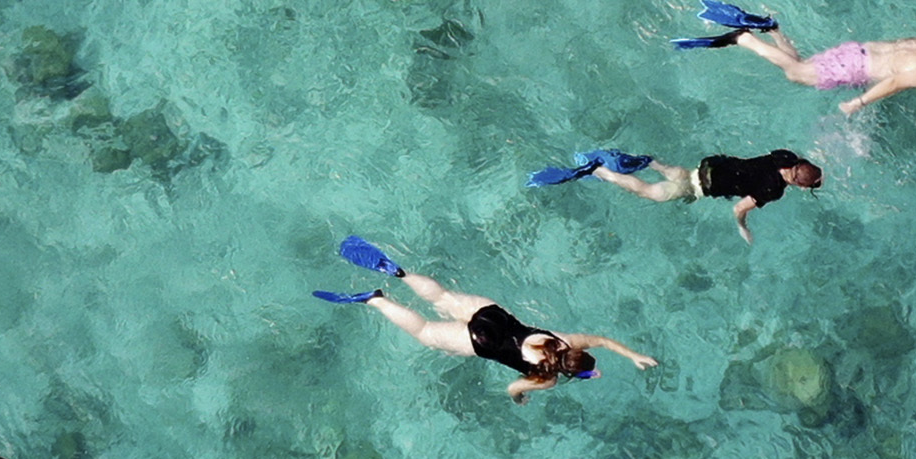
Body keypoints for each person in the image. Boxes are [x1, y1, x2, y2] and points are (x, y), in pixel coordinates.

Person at [312, 238, 654, 402]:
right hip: (484, 343)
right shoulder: (547, 378)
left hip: (494, 315)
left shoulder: (563, 340)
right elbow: (512, 388)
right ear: (568, 372)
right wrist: (521, 397)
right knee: (426, 331)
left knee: (442, 297)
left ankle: (397, 272)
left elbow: (604, 341)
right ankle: (376, 300)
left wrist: (633, 355)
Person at [678, 4, 916, 114]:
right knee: (795, 74)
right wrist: (857, 103)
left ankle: (773, 29)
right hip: (854, 67)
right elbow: (893, 84)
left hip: (854, 51)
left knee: (802, 64)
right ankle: (745, 39)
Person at [539, 146, 824, 242]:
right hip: (698, 187)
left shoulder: (784, 155)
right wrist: (742, 227)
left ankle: (650, 162)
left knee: (679, 176)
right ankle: (600, 171)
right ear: (799, 184)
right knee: (650, 193)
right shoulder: (773, 190)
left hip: (708, 165)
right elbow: (738, 209)